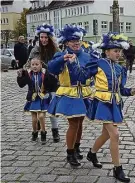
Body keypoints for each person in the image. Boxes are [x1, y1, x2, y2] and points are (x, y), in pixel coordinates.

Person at [85, 33, 135, 182]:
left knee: (107, 134)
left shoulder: (120, 69)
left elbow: (121, 90)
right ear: (106, 51)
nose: (118, 53)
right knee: (115, 134)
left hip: (114, 103)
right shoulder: (99, 63)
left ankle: (92, 153)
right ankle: (117, 169)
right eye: (115, 50)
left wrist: (130, 91)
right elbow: (83, 75)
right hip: (102, 102)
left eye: (119, 51)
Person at [47, 24, 92, 166]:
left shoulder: (86, 55)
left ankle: (77, 147)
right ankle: (70, 152)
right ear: (66, 43)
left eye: (77, 40)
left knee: (80, 122)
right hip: (69, 93)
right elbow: (51, 68)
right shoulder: (61, 55)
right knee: (73, 123)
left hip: (83, 93)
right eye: (72, 41)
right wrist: (62, 59)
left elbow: (91, 72)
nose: (76, 42)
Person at [25, 23, 61, 142]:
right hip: (39, 84)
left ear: (50, 38)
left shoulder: (56, 50)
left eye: (46, 37)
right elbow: (28, 64)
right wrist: (24, 71)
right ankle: (39, 127)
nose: (44, 39)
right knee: (39, 108)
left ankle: (55, 130)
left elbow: (61, 65)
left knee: (53, 108)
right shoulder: (35, 50)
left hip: (53, 83)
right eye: (41, 37)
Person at [17, 57, 54, 144]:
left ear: (41, 65)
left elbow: (51, 83)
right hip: (32, 98)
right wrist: (19, 76)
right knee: (34, 119)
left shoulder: (45, 73)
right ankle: (34, 132)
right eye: (33, 64)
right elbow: (21, 84)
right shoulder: (28, 74)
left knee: (41, 116)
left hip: (43, 98)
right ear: (30, 65)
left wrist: (48, 92)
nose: (34, 66)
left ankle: (43, 132)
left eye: (37, 64)